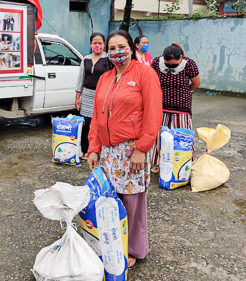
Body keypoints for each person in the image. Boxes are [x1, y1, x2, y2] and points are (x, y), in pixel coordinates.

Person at [87, 29, 163, 268]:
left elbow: (153, 113)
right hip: (108, 151)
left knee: (132, 201)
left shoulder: (145, 74)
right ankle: (110, 243)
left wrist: (142, 148)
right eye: (112, 49)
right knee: (109, 199)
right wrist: (93, 148)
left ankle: (132, 249)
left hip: (132, 150)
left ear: (131, 48)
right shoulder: (105, 78)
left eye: (121, 47)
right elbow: (97, 117)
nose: (117, 53)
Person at [150, 43, 201, 173]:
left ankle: (184, 164)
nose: (171, 66)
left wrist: (185, 92)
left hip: (181, 107)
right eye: (168, 64)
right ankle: (160, 163)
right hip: (161, 106)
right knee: (160, 136)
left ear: (181, 58)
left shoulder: (189, 64)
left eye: (174, 64)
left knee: (182, 136)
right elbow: (151, 80)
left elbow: (196, 83)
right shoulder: (156, 62)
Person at [75, 32, 110, 159]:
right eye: (94, 43)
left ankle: (99, 150)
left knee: (101, 124)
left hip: (103, 96)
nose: (97, 45)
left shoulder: (108, 59)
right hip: (87, 95)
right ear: (90, 44)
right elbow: (80, 79)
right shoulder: (86, 59)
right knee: (87, 125)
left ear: (104, 44)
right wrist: (78, 97)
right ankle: (86, 150)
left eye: (100, 43)